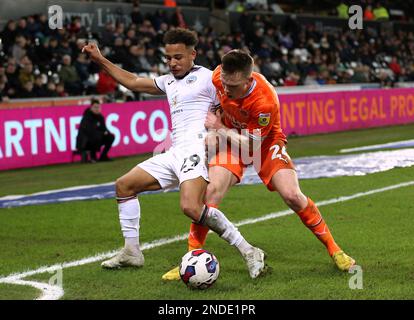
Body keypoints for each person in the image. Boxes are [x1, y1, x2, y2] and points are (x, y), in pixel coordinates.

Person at [82, 29, 266, 278]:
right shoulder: (167, 81)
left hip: (196, 151)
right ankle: (132, 251)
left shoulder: (209, 79)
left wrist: (222, 132)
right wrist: (100, 60)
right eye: (168, 58)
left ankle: (249, 251)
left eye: (178, 57)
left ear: (193, 54)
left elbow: (236, 94)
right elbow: (134, 82)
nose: (172, 63)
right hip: (174, 152)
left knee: (191, 207)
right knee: (124, 186)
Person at [162, 49, 355, 280]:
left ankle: (335, 250)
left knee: (292, 195)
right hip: (231, 138)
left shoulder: (264, 101)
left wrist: (219, 128)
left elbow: (252, 145)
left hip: (263, 142)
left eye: (233, 87)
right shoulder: (218, 77)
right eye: (225, 84)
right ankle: (191, 257)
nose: (228, 91)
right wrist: (215, 118)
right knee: (210, 194)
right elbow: (214, 99)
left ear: (249, 80)